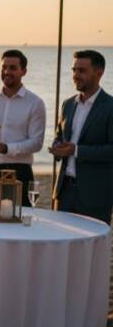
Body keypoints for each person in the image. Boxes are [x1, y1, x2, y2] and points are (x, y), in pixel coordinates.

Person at [0, 50, 45, 203]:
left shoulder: (35, 103)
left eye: (12, 68)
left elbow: (36, 143)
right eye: (4, 67)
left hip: (19, 171)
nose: (7, 71)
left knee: (18, 221)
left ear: (23, 71)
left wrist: (6, 148)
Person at [50, 50, 113, 224]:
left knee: (90, 249)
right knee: (61, 245)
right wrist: (57, 148)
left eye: (82, 71)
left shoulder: (110, 107)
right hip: (64, 191)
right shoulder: (68, 104)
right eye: (74, 70)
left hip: (95, 195)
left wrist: (76, 151)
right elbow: (59, 136)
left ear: (99, 73)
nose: (76, 75)